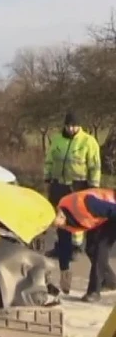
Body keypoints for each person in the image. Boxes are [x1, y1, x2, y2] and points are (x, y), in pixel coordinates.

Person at [44, 112, 101, 273]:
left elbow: (94, 166)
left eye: (74, 125)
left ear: (79, 125)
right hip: (59, 184)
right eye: (68, 125)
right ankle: (63, 248)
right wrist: (47, 177)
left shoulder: (88, 141)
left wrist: (93, 186)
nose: (71, 128)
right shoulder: (57, 140)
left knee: (75, 217)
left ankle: (75, 247)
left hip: (78, 185)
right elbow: (49, 160)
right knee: (60, 217)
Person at [53, 188, 116, 302]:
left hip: (111, 209)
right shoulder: (61, 216)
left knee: (100, 249)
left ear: (62, 216)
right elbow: (64, 245)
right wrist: (64, 270)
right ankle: (109, 281)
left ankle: (94, 292)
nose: (56, 226)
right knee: (91, 249)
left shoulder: (86, 204)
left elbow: (112, 210)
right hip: (97, 218)